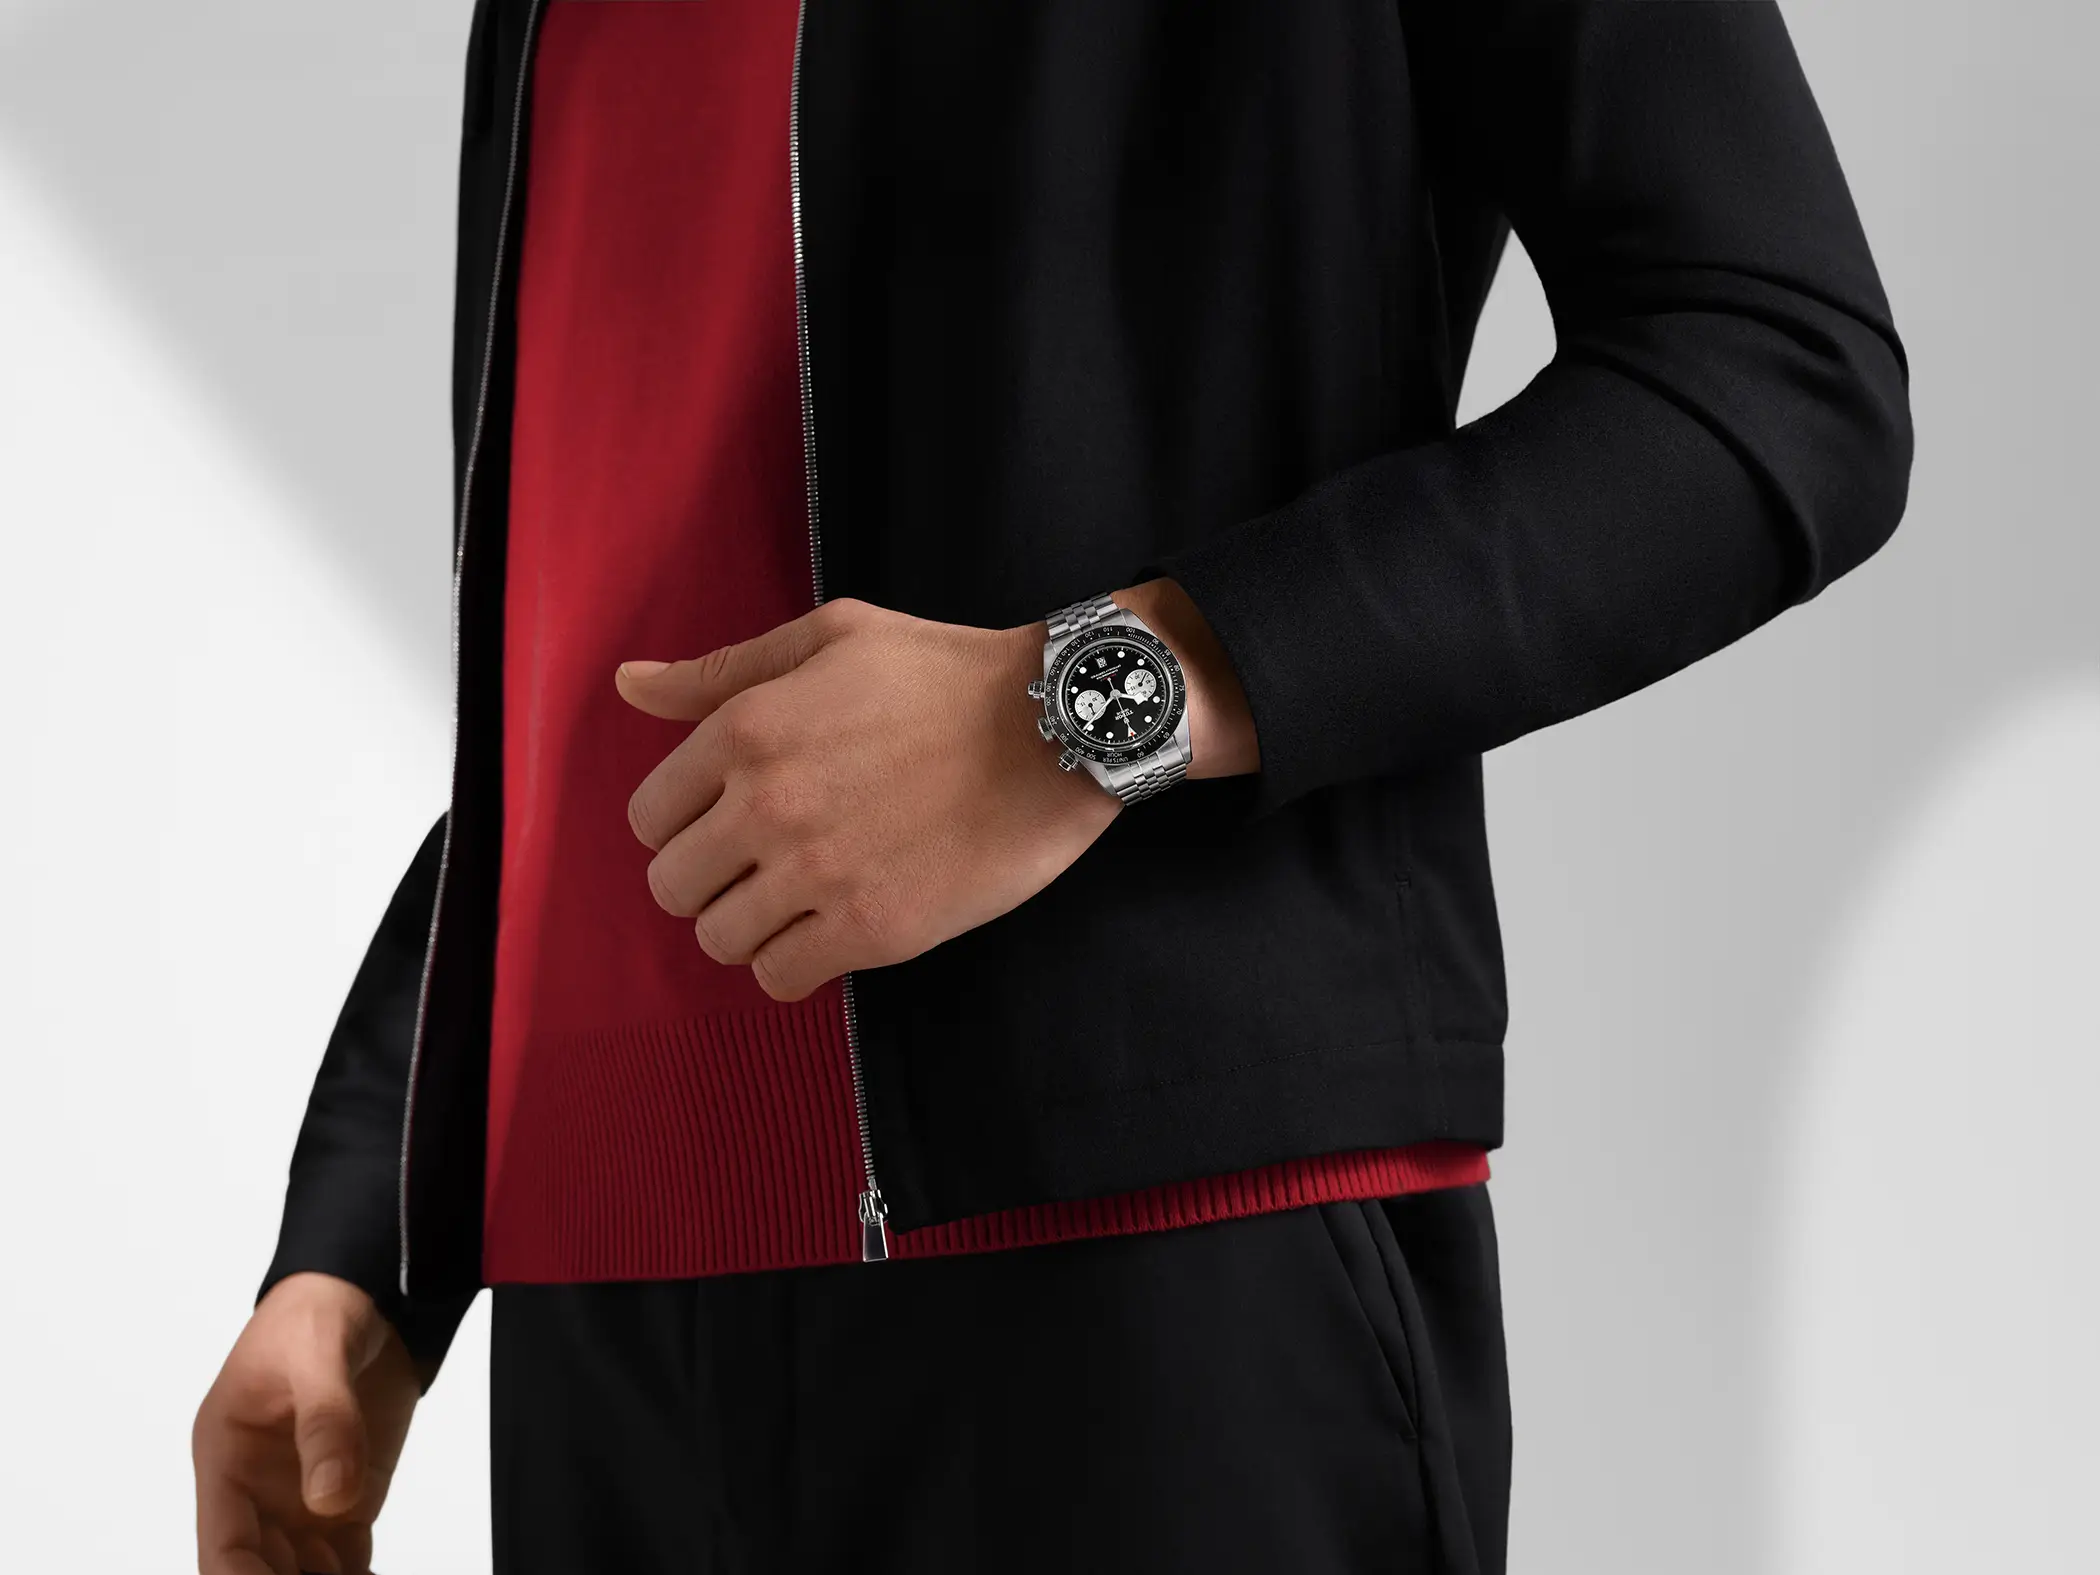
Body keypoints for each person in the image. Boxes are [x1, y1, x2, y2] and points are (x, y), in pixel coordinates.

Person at [192, 2, 1910, 1571]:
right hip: (599, 1342)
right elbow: (596, 638)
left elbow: (1775, 364)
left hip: (1160, 1280)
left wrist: (1075, 710)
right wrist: (372, 1244)